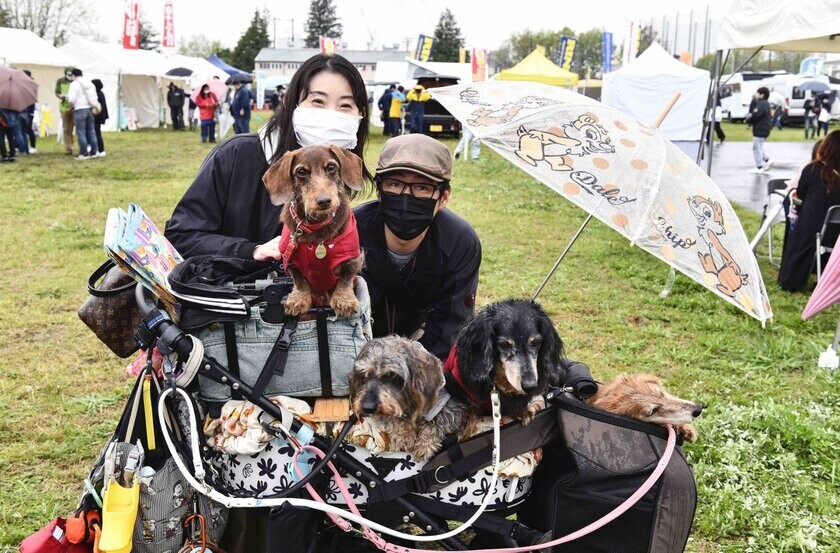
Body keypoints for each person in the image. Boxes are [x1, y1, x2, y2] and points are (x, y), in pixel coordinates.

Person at [166, 53, 373, 262]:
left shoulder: (341, 170)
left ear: (359, 115)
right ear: (293, 103)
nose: (331, 114)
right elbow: (182, 236)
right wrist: (250, 250)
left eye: (345, 105)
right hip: (236, 288)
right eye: (318, 101)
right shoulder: (236, 155)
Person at [354, 133, 482, 360]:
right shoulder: (351, 231)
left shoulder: (459, 242)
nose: (406, 195)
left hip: (420, 348)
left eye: (422, 188)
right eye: (395, 184)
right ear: (378, 189)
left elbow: (450, 327)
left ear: (443, 197)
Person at [778, 130, 840, 292]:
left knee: (797, 227)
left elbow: (801, 195)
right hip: (835, 234)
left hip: (812, 231)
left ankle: (791, 278)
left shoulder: (813, 169)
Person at [67, 68, 98, 160]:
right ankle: (94, 151)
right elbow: (94, 97)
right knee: (91, 131)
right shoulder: (90, 83)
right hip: (90, 109)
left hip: (79, 109)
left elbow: (71, 99)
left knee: (81, 132)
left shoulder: (74, 84)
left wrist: (70, 106)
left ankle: (84, 153)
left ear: (73, 75)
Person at [748, 87, 773, 174]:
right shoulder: (765, 103)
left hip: (760, 128)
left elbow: (756, 115)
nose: (756, 94)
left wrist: (748, 120)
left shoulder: (761, 104)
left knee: (756, 148)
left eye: (758, 93)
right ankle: (767, 160)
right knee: (758, 147)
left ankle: (759, 167)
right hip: (764, 128)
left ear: (762, 94)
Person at [55, 67, 75, 155]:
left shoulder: (76, 82)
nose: (70, 76)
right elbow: (57, 92)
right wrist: (61, 96)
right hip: (64, 107)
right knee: (66, 128)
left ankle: (72, 143)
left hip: (75, 107)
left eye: (71, 75)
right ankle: (69, 148)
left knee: (72, 128)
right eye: (68, 74)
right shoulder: (60, 81)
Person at [91, 79, 109, 157]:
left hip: (97, 117)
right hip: (100, 117)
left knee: (96, 133)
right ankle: (99, 149)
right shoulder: (101, 93)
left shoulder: (97, 95)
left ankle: (100, 149)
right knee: (97, 133)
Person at [21, 70, 37, 154]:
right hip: (27, 110)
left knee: (28, 129)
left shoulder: (30, 85)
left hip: (29, 110)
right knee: (25, 129)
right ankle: (25, 146)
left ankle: (32, 146)